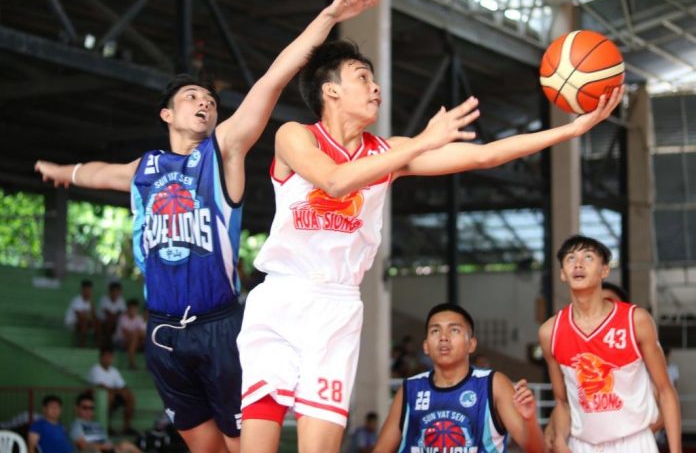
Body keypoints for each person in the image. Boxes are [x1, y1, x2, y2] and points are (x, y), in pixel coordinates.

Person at [35, 0, 384, 453]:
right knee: (204, 449)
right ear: (166, 113)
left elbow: (271, 81)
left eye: (210, 101)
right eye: (193, 98)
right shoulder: (147, 169)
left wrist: (326, 19)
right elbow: (100, 173)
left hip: (218, 326)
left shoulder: (222, 151)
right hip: (162, 331)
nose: (205, 104)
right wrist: (63, 171)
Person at [236, 39, 622, 453]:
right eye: (363, 78)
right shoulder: (295, 136)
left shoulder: (388, 152)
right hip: (283, 296)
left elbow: (484, 156)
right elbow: (333, 180)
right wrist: (423, 140)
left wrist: (573, 130)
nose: (375, 88)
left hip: (338, 307)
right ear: (330, 90)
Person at [539, 235, 681, 452]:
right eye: (570, 258)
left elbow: (665, 390)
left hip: (634, 442)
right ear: (562, 273)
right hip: (582, 445)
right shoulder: (550, 332)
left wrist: (675, 450)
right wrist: (560, 439)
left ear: (604, 270)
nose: (578, 263)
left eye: (588, 257)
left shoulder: (636, 320)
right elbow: (562, 402)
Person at [373, 303, 544, 452]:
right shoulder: (410, 389)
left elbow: (536, 450)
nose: (444, 337)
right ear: (426, 346)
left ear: (471, 344)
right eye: (435, 331)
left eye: (454, 330)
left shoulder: (493, 384)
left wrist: (530, 420)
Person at [70, 392, 141, 453]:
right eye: (85, 408)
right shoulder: (77, 425)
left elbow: (108, 443)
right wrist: (104, 447)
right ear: (77, 408)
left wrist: (114, 448)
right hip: (93, 451)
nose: (88, 411)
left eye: (91, 408)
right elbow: (83, 446)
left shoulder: (96, 425)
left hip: (107, 451)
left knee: (126, 445)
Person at [87, 347, 137, 435]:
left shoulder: (114, 371)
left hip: (113, 394)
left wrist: (120, 391)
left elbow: (123, 386)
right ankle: (106, 426)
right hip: (96, 397)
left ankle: (127, 427)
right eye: (106, 357)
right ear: (101, 357)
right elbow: (101, 386)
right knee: (108, 396)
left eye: (110, 357)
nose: (108, 359)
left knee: (129, 396)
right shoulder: (95, 369)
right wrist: (115, 391)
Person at [65, 279, 100, 347]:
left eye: (90, 290)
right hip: (71, 323)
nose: (88, 292)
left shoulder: (89, 303)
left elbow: (93, 316)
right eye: (86, 290)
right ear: (82, 290)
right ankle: (81, 345)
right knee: (84, 323)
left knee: (98, 323)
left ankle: (97, 345)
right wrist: (90, 318)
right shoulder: (77, 300)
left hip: (83, 322)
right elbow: (80, 317)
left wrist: (92, 308)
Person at [113, 298, 146, 369]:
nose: (132, 311)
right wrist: (137, 334)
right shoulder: (122, 318)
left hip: (135, 342)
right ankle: (132, 363)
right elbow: (126, 334)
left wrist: (137, 334)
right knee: (135, 337)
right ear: (128, 309)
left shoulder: (139, 318)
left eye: (134, 309)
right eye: (131, 309)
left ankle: (134, 363)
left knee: (146, 340)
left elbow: (143, 333)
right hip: (121, 342)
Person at [98, 281, 127, 346]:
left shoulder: (121, 300)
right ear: (109, 292)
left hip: (115, 324)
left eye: (117, 291)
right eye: (113, 291)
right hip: (103, 323)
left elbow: (121, 313)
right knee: (110, 321)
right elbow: (108, 314)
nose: (115, 293)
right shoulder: (104, 299)